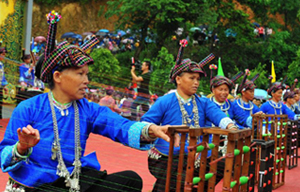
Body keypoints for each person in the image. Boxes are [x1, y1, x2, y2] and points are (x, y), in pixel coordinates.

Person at [0, 11, 172, 192]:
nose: (86, 80)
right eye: (80, 74)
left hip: (72, 179)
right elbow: (4, 156)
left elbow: (119, 125)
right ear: (58, 76)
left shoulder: (87, 110)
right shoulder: (28, 108)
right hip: (37, 185)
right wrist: (22, 147)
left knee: (130, 180)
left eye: (87, 74)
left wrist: (150, 130)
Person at [141, 40, 237, 192]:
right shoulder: (165, 101)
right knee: (178, 175)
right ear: (178, 79)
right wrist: (156, 130)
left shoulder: (203, 102)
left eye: (198, 79)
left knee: (219, 164)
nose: (196, 82)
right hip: (165, 157)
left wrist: (230, 126)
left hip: (194, 156)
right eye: (192, 78)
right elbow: (145, 123)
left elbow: (218, 115)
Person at [0, 47, 8, 120]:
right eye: (2, 54)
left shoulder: (1, 64)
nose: (3, 56)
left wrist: (5, 86)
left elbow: (2, 76)